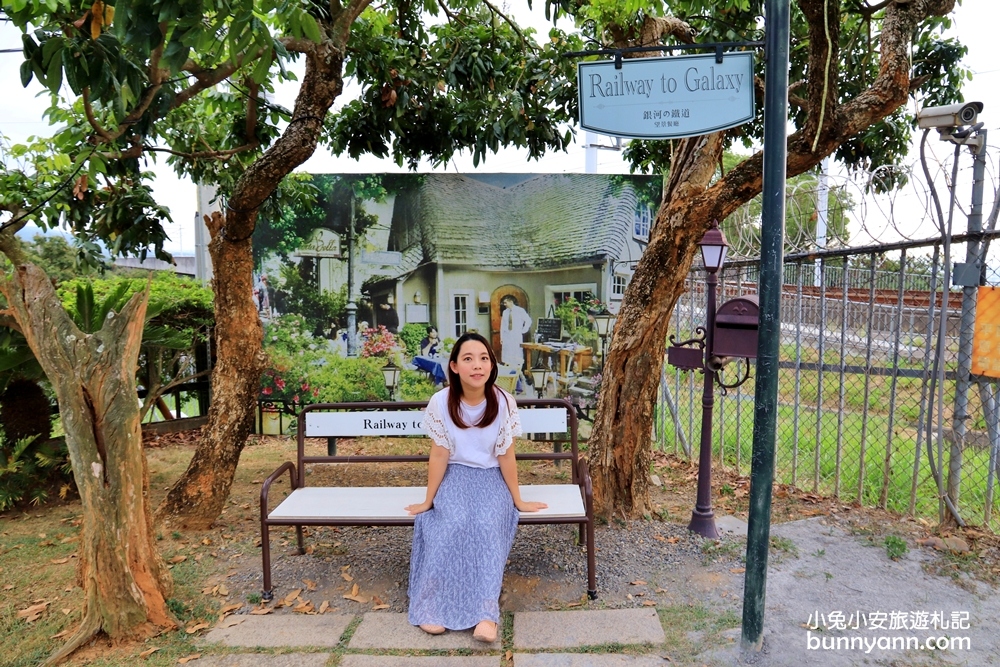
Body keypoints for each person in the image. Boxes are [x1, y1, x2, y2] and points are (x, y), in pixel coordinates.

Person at [406, 332, 547, 642]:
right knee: (451, 522)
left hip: (491, 478)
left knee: (484, 524)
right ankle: (433, 607)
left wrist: (518, 500)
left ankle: (486, 614)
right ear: (454, 367)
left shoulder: (503, 401)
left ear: (492, 365)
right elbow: (440, 454)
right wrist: (428, 500)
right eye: (468, 359)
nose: (477, 365)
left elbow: (505, 454)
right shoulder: (441, 402)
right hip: (456, 476)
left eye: (484, 358)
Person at [499, 295, 531, 369]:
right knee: (507, 354)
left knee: (517, 353)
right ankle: (509, 371)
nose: (504, 304)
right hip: (507, 336)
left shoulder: (520, 311)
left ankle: (517, 371)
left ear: (511, 302)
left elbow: (528, 320)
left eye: (505, 302)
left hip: (516, 335)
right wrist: (502, 337)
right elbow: (503, 326)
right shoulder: (505, 312)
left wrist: (523, 330)